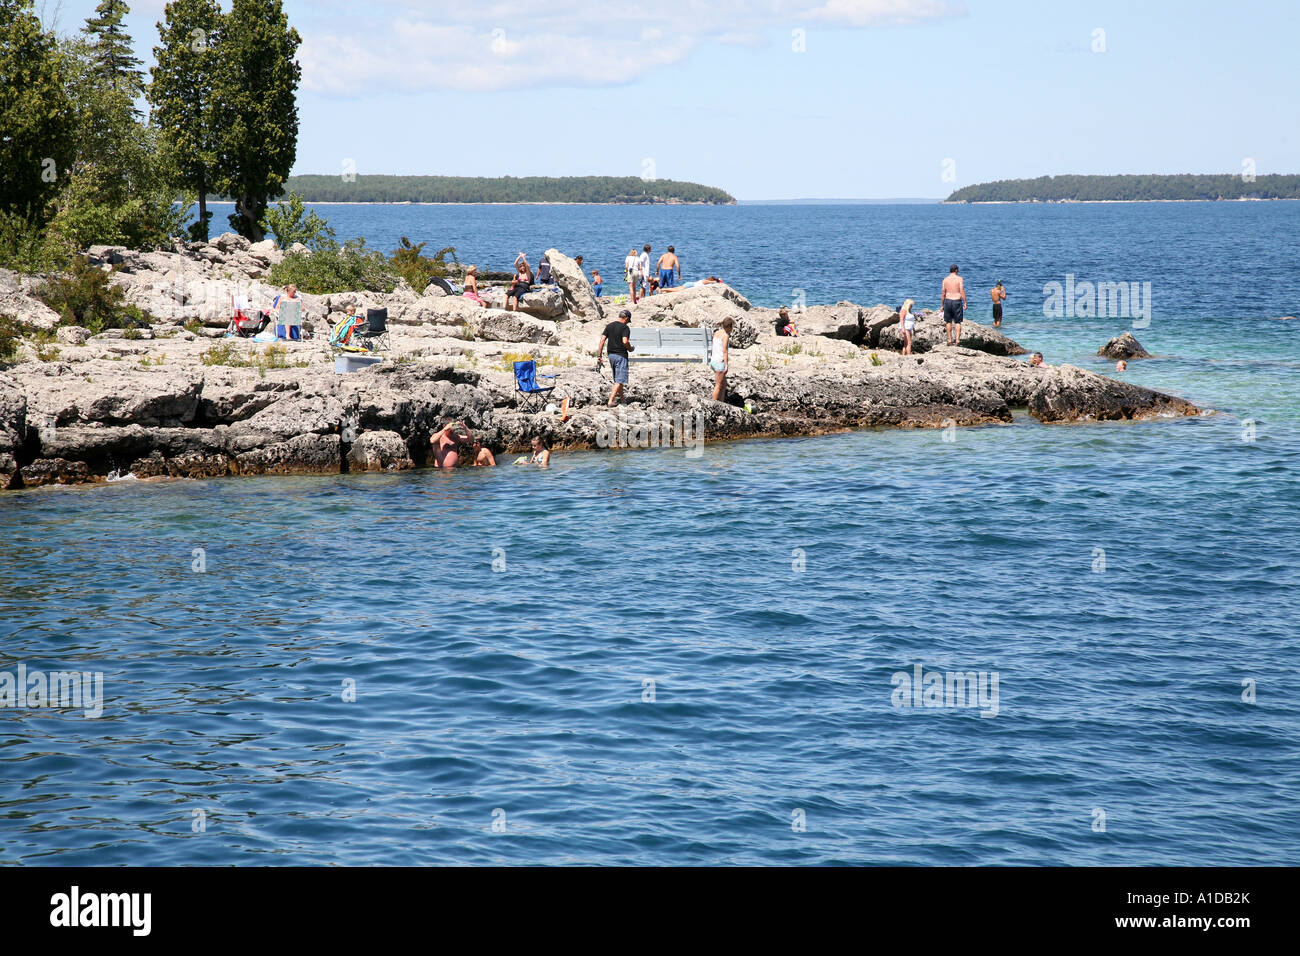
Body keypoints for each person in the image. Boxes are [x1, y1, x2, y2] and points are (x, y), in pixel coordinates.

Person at [597, 308, 635, 407]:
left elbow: (602, 341)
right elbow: (625, 341)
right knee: (619, 380)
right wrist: (630, 348)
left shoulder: (609, 326)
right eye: (628, 321)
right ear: (626, 318)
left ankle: (622, 400)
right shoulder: (625, 328)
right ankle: (610, 401)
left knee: (618, 379)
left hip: (611, 355)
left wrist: (599, 356)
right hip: (621, 355)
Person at [941, 265, 966, 346]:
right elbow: (961, 291)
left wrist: (942, 305)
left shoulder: (945, 279)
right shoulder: (959, 279)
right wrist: (965, 302)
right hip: (956, 301)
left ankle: (949, 340)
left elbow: (943, 293)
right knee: (957, 322)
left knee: (948, 321)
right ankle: (957, 340)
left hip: (948, 301)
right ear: (956, 270)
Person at [710, 316, 732, 402]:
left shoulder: (716, 333)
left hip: (713, 361)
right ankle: (713, 404)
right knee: (718, 385)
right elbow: (724, 351)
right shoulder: (725, 336)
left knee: (724, 384)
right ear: (729, 327)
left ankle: (721, 402)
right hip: (720, 362)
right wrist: (726, 364)